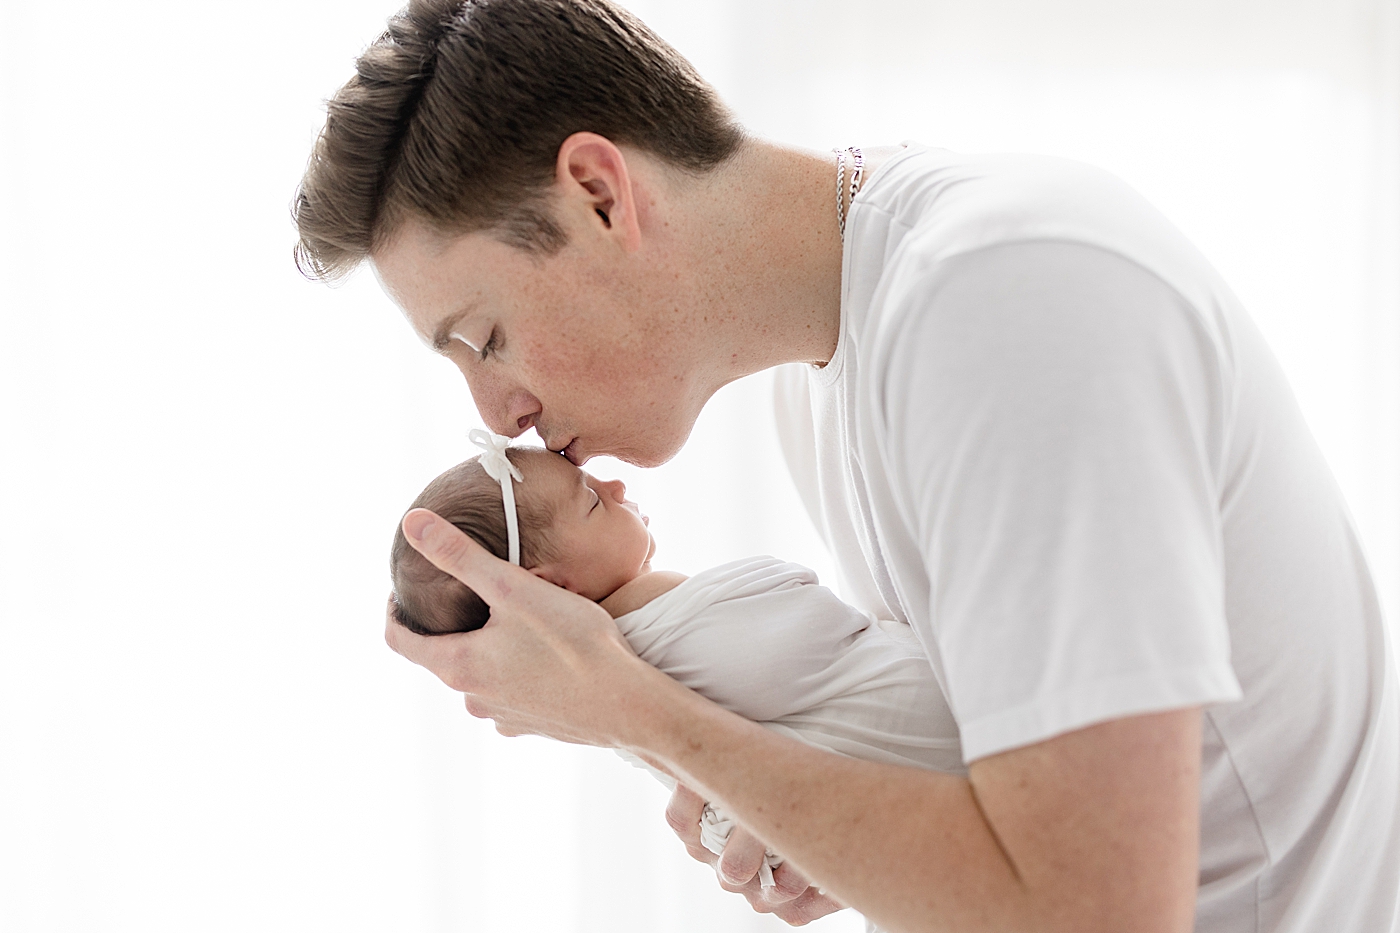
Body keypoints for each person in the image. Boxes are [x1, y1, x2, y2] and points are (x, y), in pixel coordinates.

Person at [293, 0, 1400, 930]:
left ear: (598, 194)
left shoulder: (1005, 300)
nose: (500, 412)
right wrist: (819, 810)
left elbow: (1090, 911)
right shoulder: (823, 376)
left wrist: (630, 710)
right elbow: (983, 788)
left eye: (482, 340)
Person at [389, 434, 962, 916]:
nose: (613, 487)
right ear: (551, 590)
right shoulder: (649, 613)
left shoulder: (601, 684)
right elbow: (809, 621)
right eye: (589, 501)